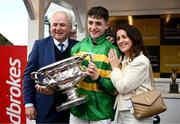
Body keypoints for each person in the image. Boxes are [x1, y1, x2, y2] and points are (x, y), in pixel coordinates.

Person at [22, 11, 79, 123]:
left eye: (62, 25)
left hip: (73, 109)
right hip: (45, 110)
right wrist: (28, 104)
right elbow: (28, 77)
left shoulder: (78, 46)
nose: (58, 28)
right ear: (50, 27)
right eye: (54, 24)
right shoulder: (39, 46)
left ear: (70, 27)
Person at [69, 6, 120, 124]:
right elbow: (70, 81)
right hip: (78, 110)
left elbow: (115, 89)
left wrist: (98, 78)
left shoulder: (113, 51)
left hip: (101, 112)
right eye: (90, 22)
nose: (93, 27)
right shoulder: (76, 48)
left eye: (98, 23)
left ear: (107, 25)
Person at [108, 24, 154, 124]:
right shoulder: (126, 60)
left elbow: (123, 87)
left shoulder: (141, 61)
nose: (120, 41)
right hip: (125, 112)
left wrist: (115, 68)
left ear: (134, 38)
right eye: (118, 38)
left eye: (124, 37)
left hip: (137, 114)